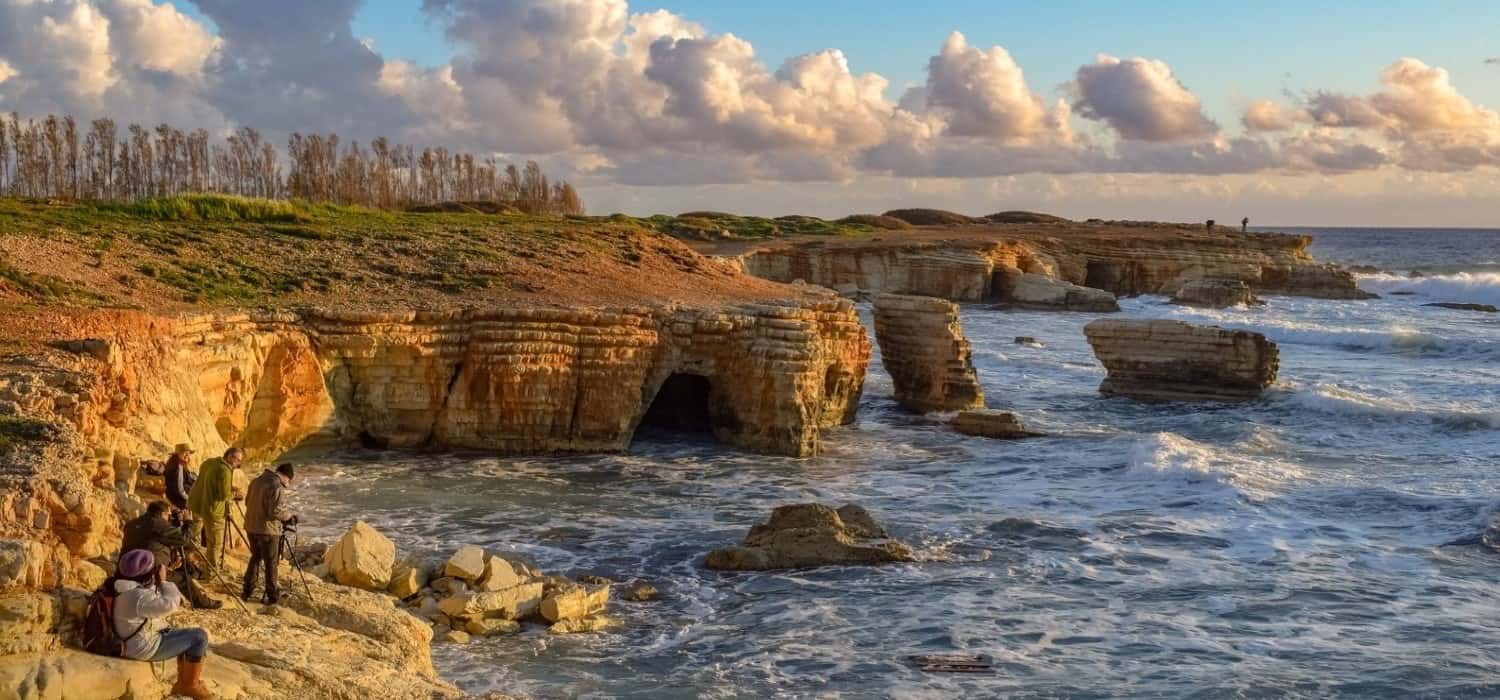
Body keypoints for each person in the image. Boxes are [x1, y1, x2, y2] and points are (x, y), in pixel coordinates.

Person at [112, 548, 216, 700]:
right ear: (149, 573)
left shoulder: (120, 588)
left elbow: (151, 597)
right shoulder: (138, 596)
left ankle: (184, 682)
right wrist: (164, 580)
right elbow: (171, 605)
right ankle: (189, 685)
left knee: (181, 633)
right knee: (199, 637)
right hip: (141, 648)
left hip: (129, 640)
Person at [121, 501, 222, 610]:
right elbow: (184, 539)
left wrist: (173, 525)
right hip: (149, 572)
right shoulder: (158, 524)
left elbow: (156, 535)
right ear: (163, 513)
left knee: (184, 569)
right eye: (168, 515)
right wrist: (188, 523)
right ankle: (202, 603)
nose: (169, 518)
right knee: (184, 579)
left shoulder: (132, 523)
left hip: (127, 568)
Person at [243, 463, 297, 604]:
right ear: (285, 476)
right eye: (289, 480)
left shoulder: (256, 481)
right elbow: (275, 511)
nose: (288, 483)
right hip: (267, 530)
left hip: (251, 526)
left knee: (255, 557)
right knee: (271, 563)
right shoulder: (276, 486)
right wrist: (289, 517)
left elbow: (247, 501)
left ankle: (247, 590)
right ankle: (272, 596)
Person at [187, 447, 242, 575]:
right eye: (238, 460)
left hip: (196, 503)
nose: (238, 464)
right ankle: (210, 573)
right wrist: (236, 494)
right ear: (230, 457)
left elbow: (209, 480)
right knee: (215, 543)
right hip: (212, 511)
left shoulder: (209, 462)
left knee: (194, 534)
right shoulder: (225, 470)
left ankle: (188, 559)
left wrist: (229, 487)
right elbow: (223, 496)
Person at [164, 443, 197, 513]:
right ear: (178, 454)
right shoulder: (178, 467)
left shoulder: (176, 463)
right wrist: (190, 500)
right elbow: (180, 489)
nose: (187, 456)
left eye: (188, 454)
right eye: (184, 453)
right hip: (177, 498)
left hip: (175, 495)